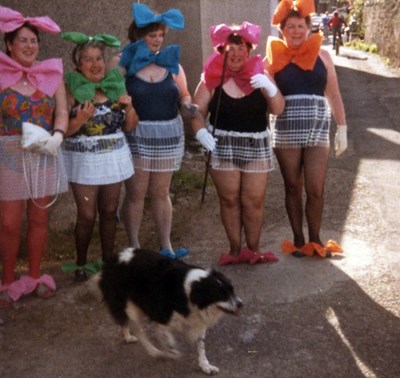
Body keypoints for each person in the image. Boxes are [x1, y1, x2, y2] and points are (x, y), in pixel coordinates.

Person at [191, 22, 285, 265]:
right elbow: (196, 111)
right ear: (221, 50)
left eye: (241, 48)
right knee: (230, 199)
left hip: (256, 144)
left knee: (253, 201)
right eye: (230, 49)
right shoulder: (211, 77)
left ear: (249, 50)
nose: (235, 54)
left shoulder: (260, 76)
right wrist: (200, 132)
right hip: (221, 143)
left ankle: (253, 249)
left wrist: (270, 89)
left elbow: (278, 109)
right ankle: (235, 250)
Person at [264, 0, 347, 258]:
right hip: (286, 127)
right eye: (291, 26)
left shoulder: (323, 56)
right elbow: (267, 99)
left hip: (318, 127)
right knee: (292, 186)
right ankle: (299, 240)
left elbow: (333, 94)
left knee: (316, 188)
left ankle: (315, 238)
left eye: (301, 25)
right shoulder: (272, 59)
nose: (296, 31)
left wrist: (342, 127)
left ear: (308, 27)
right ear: (282, 30)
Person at [0, 6, 69, 307]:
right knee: (9, 223)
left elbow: (63, 111)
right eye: (23, 41)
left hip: (44, 153)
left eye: (34, 41)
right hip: (8, 156)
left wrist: (58, 136)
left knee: (40, 218)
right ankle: (7, 281)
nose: (29, 46)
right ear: (9, 45)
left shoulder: (51, 73)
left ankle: (36, 276)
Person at [61, 32, 138, 282]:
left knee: (109, 211)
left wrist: (130, 108)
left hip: (113, 155)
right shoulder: (71, 89)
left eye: (98, 59)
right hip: (84, 159)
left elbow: (130, 127)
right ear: (78, 64)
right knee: (86, 215)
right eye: (88, 59)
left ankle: (108, 263)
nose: (95, 64)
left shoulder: (115, 85)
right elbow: (64, 131)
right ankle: (81, 264)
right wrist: (79, 119)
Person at [119, 3, 193, 259]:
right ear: (139, 36)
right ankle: (134, 246)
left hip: (167, 134)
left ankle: (166, 247)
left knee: (161, 192)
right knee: (136, 193)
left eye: (161, 35)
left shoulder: (172, 64)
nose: (157, 40)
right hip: (137, 134)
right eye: (152, 35)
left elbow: (183, 94)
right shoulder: (126, 63)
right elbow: (113, 88)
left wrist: (187, 105)